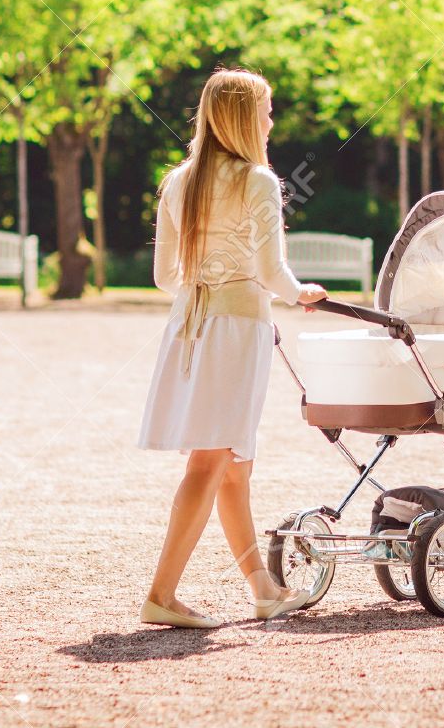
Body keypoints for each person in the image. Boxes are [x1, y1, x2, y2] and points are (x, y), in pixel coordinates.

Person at [136, 68, 326, 628]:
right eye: (266, 111)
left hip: (188, 327)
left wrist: (207, 285)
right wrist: (300, 294)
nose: (271, 121)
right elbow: (272, 271)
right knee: (211, 458)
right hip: (236, 332)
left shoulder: (179, 181)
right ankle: (162, 595)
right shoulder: (257, 181)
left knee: (234, 465)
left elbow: (164, 277)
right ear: (246, 118)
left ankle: (262, 589)